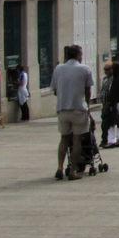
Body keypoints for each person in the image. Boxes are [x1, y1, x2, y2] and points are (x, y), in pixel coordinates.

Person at [50, 44, 94, 180]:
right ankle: (73, 171)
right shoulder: (85, 69)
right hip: (78, 109)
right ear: (78, 55)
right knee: (77, 140)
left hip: (62, 108)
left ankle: (59, 167)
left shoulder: (58, 69)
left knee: (63, 139)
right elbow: (88, 90)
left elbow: (55, 90)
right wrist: (87, 104)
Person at [104, 61, 119, 148]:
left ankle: (111, 140)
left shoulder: (116, 79)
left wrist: (110, 104)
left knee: (112, 121)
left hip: (116, 102)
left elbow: (113, 93)